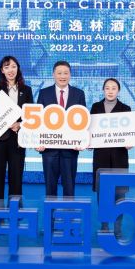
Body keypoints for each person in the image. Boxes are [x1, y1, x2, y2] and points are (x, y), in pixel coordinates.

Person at [0, 56, 34, 214]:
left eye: (13, 66)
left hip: (18, 140)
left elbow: (31, 115)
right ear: (2, 70)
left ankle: (15, 212)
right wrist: (5, 122)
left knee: (16, 177)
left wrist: (20, 124)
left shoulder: (27, 90)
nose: (10, 70)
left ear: (18, 68)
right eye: (6, 67)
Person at [36, 60, 87, 198]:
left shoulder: (79, 94)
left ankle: (68, 211)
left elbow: (83, 122)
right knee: (50, 188)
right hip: (49, 150)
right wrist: (37, 142)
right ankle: (51, 212)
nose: (62, 76)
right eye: (59, 73)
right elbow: (38, 121)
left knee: (69, 187)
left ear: (70, 75)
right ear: (53, 74)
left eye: (65, 73)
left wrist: (82, 141)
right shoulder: (44, 93)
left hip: (70, 150)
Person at [90, 78, 131, 236]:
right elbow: (90, 130)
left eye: (114, 88)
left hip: (120, 158)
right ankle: (105, 225)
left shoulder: (126, 109)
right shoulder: (96, 107)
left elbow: (131, 133)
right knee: (103, 194)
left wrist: (131, 141)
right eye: (107, 88)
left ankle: (118, 229)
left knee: (119, 194)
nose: (110, 91)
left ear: (118, 91)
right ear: (103, 90)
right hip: (101, 158)